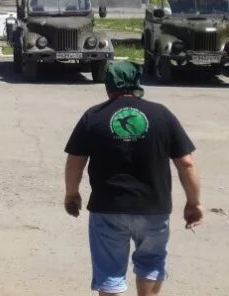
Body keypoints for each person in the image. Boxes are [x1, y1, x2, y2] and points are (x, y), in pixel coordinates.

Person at [64, 61, 202, 296]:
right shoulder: (161, 115)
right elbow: (186, 163)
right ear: (137, 83)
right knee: (151, 264)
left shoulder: (93, 116)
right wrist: (193, 202)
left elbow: (75, 162)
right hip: (154, 208)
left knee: (110, 272)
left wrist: (72, 193)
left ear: (108, 85)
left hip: (108, 208)